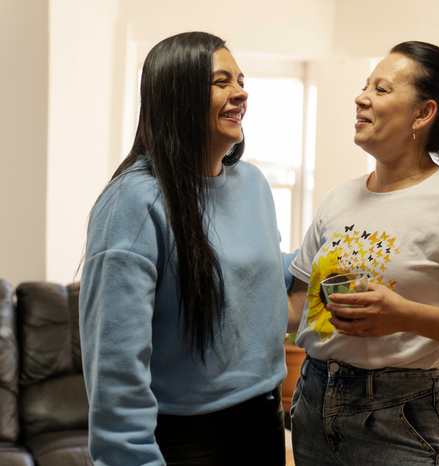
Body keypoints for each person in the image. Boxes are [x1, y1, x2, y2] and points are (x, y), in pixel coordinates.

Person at [287, 41, 439, 465]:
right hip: (313, 401)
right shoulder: (338, 198)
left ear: (423, 112)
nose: (361, 97)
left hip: (401, 416)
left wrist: (403, 314)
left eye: (381, 89)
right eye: (364, 87)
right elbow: (299, 303)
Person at [79, 31, 295, 465]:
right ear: (177, 95)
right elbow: (116, 367)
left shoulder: (252, 184)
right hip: (187, 441)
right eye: (222, 82)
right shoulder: (134, 202)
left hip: (267, 422)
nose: (241, 93)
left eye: (241, 79)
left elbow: (260, 270)